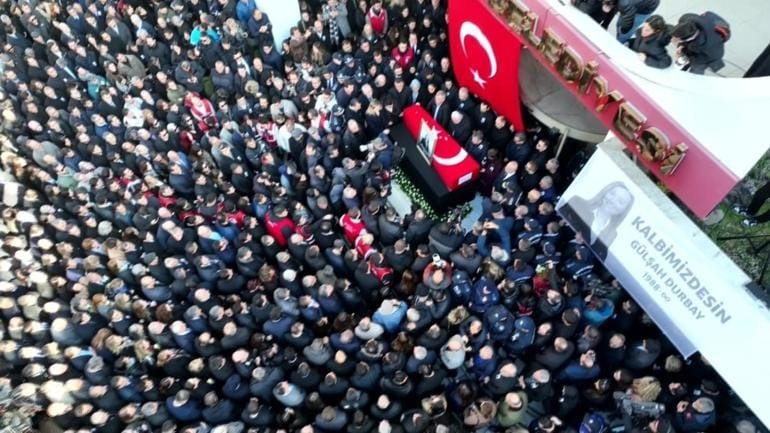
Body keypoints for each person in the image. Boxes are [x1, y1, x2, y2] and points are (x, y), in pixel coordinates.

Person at [557, 182, 635, 261]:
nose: (612, 201)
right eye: (612, 194)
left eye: (620, 202)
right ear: (605, 192)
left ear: (623, 211)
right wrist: (574, 231)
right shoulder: (576, 202)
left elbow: (598, 258)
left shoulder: (611, 234)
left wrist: (584, 251)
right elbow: (556, 220)